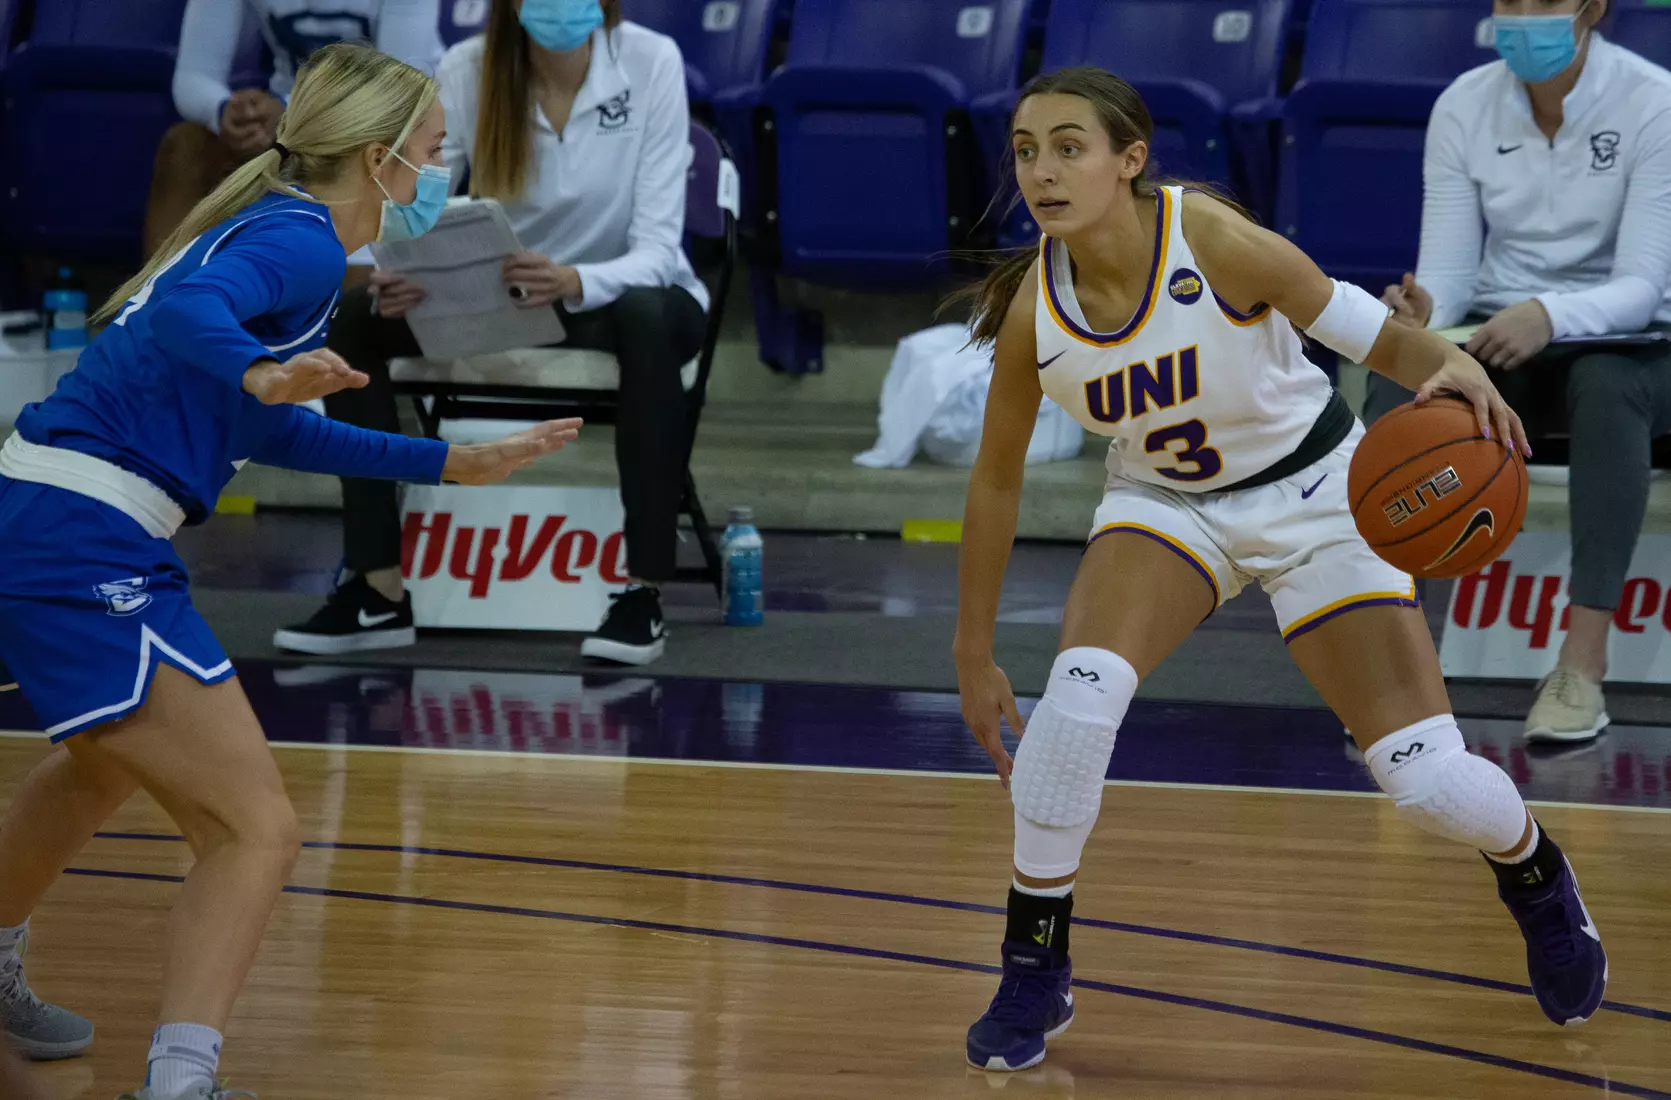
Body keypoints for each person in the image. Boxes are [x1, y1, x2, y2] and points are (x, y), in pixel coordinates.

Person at [952, 67, 1607, 1074]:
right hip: (1164, 505)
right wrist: (972, 647)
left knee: (1426, 782)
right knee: (1076, 707)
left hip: (1319, 496)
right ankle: (1034, 958)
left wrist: (1452, 360)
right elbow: (994, 486)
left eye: (1068, 146)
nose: (1042, 169)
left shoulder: (1209, 240)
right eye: (1026, 149)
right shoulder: (1036, 317)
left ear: (1131, 161)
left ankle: (1535, 871)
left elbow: (1371, 330)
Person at [0, 44, 578, 1100]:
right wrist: (263, 366)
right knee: (253, 824)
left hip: (45, 513)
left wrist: (452, 460)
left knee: (103, 763)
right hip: (81, 530)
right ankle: (182, 1082)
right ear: (381, 157)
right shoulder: (300, 240)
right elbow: (190, 321)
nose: (445, 175)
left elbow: (282, 433)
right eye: (438, 153)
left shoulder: (284, 237)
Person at [272, 0, 709, 667]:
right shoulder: (467, 67)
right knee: (359, 317)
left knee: (645, 314)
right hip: (504, 297)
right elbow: (419, 207)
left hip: (622, 295)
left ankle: (642, 592)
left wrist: (573, 278)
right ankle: (376, 588)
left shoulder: (652, 60)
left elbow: (655, 246)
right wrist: (402, 271)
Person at [1369, 0, 1671, 745]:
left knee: (1604, 387)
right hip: (1502, 333)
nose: (1520, 18)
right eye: (1508, 2)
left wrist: (1550, 313)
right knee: (1396, 382)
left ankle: (1581, 666)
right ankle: (1392, 666)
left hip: (1636, 340)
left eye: (1541, 2)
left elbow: (1640, 284)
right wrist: (1421, 312)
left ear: (1591, 10)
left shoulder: (1653, 102)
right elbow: (1447, 273)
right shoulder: (1462, 104)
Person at [145, 0, 443, 257]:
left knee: (378, 152)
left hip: (372, 130)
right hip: (283, 124)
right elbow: (193, 76)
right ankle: (149, 305)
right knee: (185, 146)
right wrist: (227, 112)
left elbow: (398, 92)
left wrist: (291, 114)